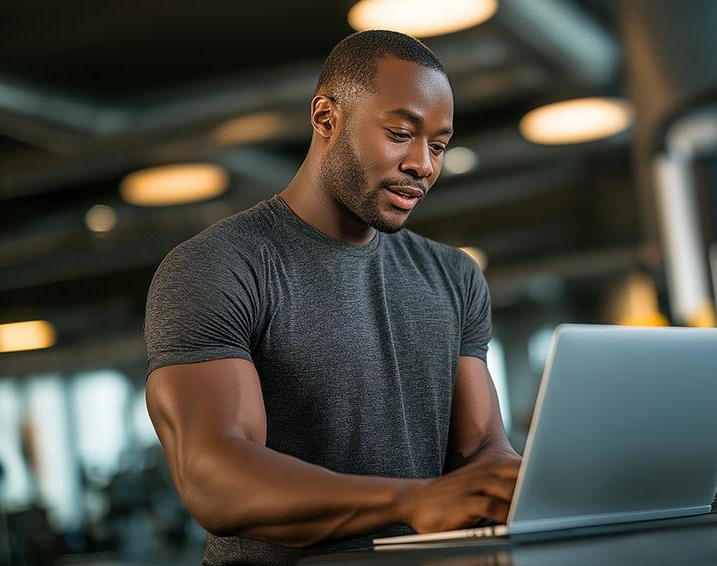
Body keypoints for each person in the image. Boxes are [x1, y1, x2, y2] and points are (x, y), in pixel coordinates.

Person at [143, 30, 521, 566]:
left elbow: (480, 452)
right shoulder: (219, 265)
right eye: (399, 134)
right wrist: (412, 499)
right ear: (326, 118)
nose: (423, 165)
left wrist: (525, 481)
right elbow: (214, 477)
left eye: (437, 145)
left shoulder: (454, 277)